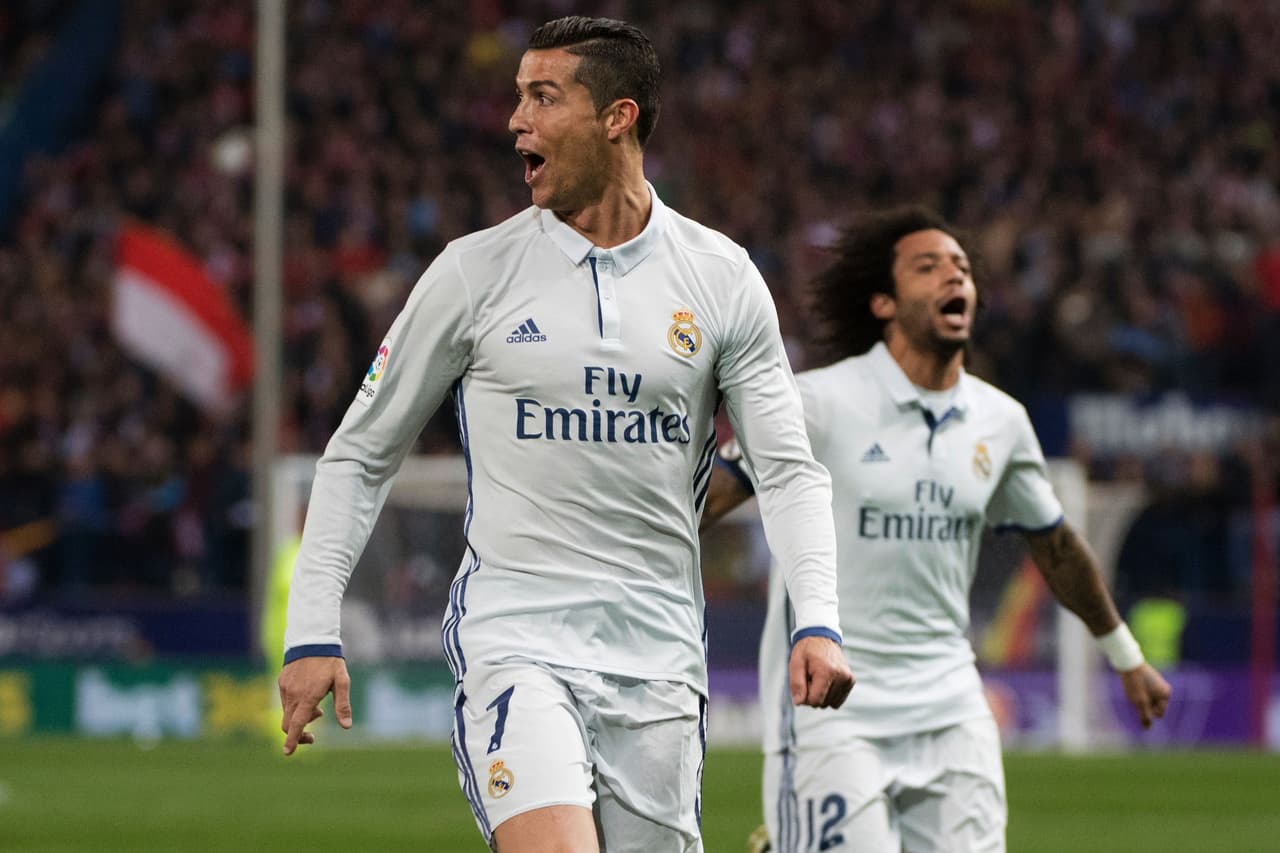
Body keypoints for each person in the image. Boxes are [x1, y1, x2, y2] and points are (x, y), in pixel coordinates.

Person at [277, 16, 854, 853]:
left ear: (618, 117)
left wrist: (819, 621)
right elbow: (360, 454)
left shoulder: (722, 278)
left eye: (543, 98)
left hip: (659, 660)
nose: (517, 121)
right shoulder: (474, 273)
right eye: (517, 97)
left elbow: (790, 471)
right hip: (517, 639)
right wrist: (312, 630)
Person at [701, 206, 1172, 852]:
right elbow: (700, 503)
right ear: (884, 303)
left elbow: (1056, 545)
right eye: (928, 267)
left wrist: (1127, 657)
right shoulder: (818, 403)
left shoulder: (1000, 422)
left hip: (952, 704)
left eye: (962, 267)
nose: (954, 276)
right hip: (834, 708)